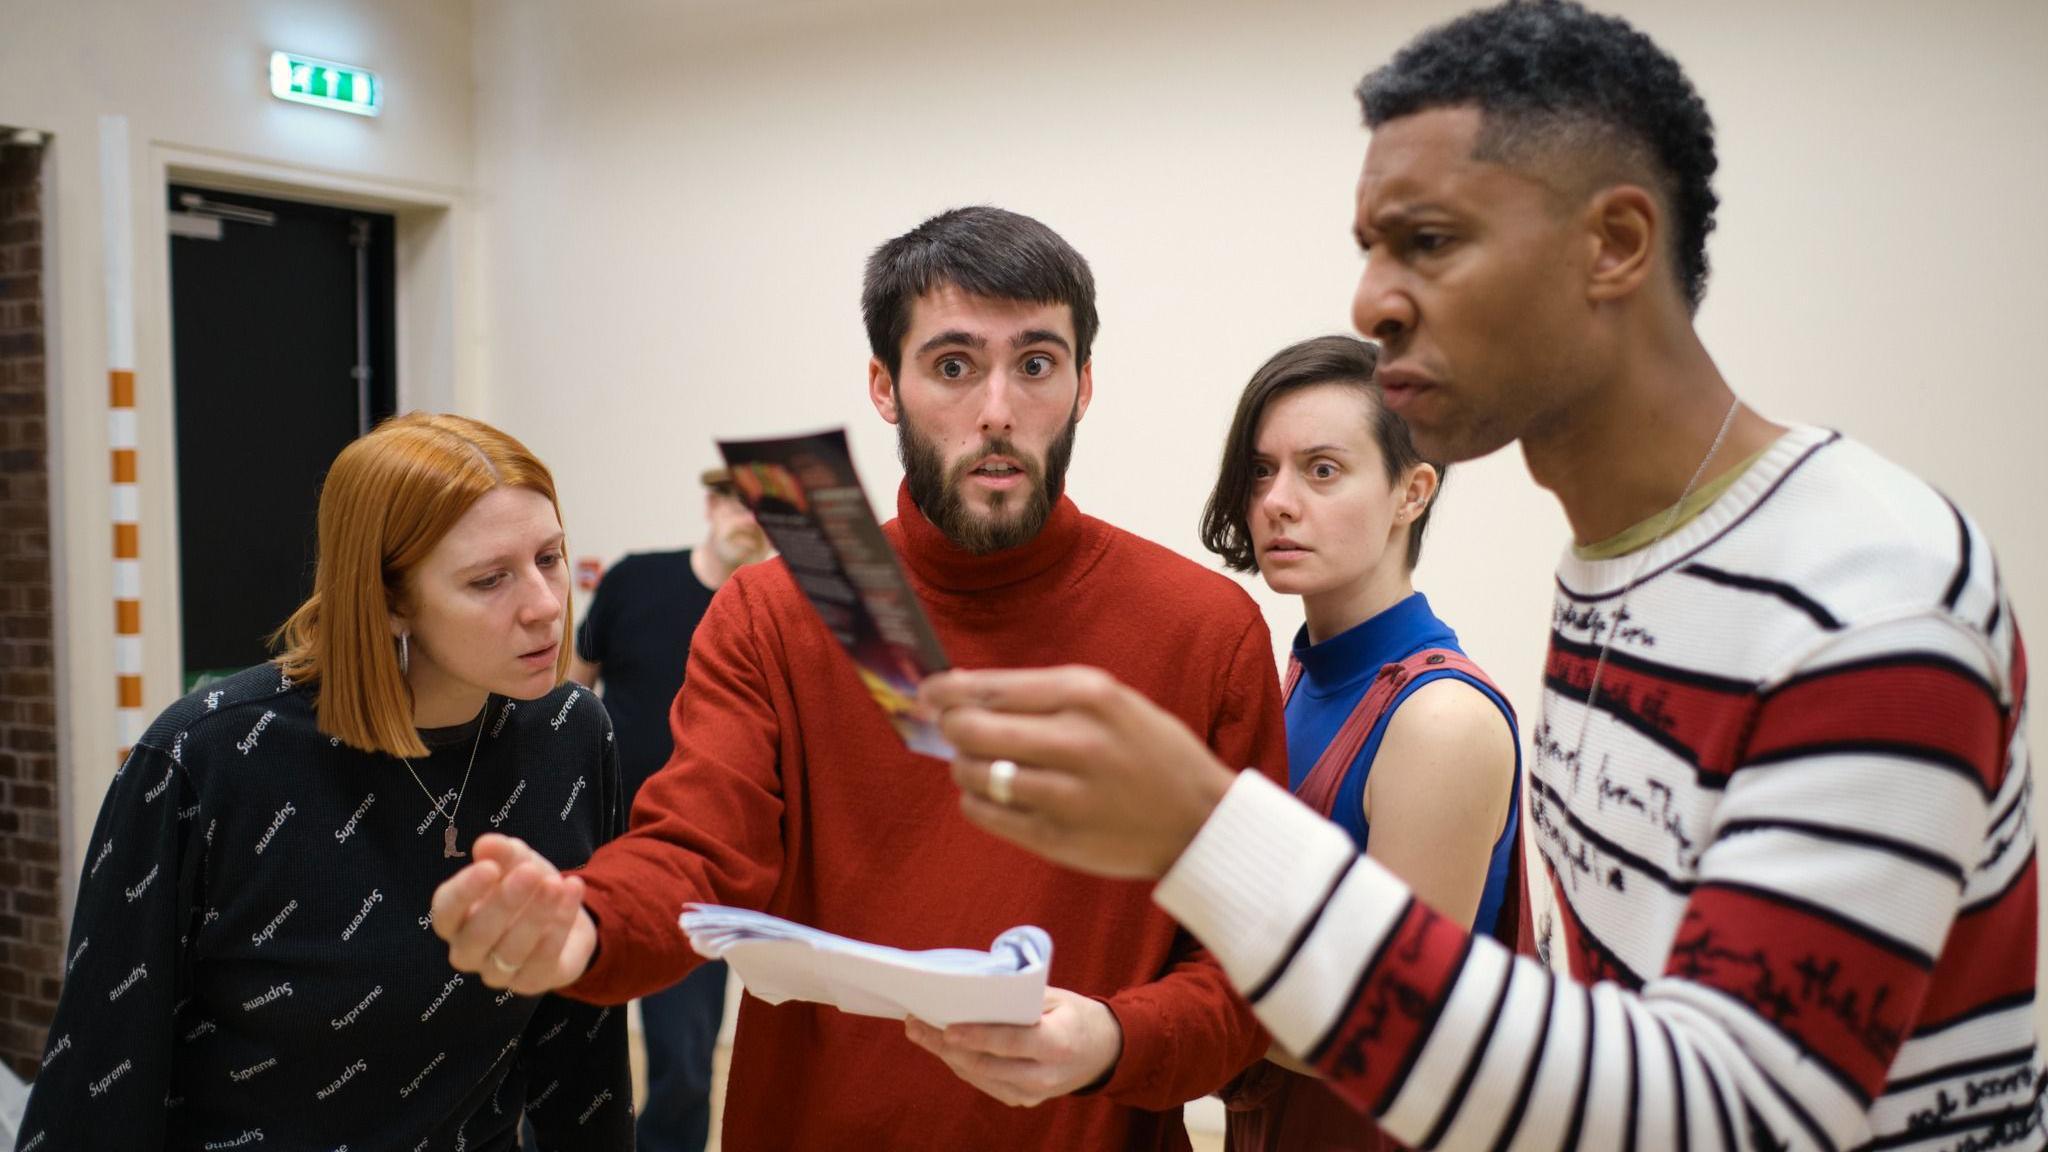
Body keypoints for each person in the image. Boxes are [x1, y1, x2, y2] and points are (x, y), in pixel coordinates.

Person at [921, 4, 2039, 1150]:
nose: (1371, 302)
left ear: (1611, 245)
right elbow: (1602, 1013)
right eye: (1369, 247)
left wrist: (1203, 835)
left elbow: (1732, 1113)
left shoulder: (1865, 594)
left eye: (1429, 242)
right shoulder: (1612, 580)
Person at [430, 207, 1290, 1149]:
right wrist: (585, 924)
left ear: (1084, 385)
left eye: (1036, 364)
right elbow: (697, 850)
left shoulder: (1204, 629)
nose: (997, 410)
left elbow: (1246, 976)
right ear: (885, 386)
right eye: (953, 366)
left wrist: (1116, 1039)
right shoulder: (776, 613)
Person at [15, 413, 631, 1151]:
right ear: (391, 598)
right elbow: (102, 1075)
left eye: (550, 558)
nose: (545, 605)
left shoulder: (569, 734)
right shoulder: (209, 756)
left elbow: (583, 1045)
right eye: (490, 579)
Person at [1201, 335, 1519, 1151]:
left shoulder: (1438, 719)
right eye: (1262, 469)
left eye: (1322, 470)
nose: (1277, 500)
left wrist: (1150, 1006)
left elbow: (1389, 1045)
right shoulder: (1302, 677)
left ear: (1413, 491)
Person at [567, 465, 771, 1152]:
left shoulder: (772, 612)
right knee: (562, 1039)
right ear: (713, 505)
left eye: (770, 511)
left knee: (685, 1063)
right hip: (595, 837)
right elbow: (575, 687)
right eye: (742, 503)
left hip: (697, 856)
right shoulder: (634, 581)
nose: (754, 519)